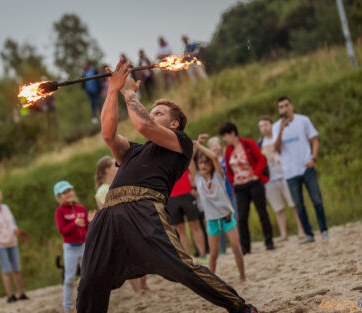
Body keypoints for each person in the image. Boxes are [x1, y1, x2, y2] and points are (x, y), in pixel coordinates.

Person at [76, 58, 259, 313]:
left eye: (159, 112)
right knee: (91, 280)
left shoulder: (180, 145)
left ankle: (240, 307)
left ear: (174, 124)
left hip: (143, 210)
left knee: (182, 268)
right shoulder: (133, 151)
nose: (152, 114)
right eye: (152, 110)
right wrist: (113, 90)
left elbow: (143, 125)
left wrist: (129, 92)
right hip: (109, 216)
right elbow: (107, 133)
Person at [273, 96, 329, 244]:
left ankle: (324, 230)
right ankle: (308, 233)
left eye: (286, 105)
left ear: (291, 106)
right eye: (281, 107)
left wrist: (314, 158)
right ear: (279, 110)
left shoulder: (303, 120)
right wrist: (281, 130)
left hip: (306, 167)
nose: (284, 109)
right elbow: (276, 148)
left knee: (316, 200)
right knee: (298, 204)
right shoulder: (276, 126)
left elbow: (314, 139)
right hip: (290, 172)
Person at [190, 138, 245, 280]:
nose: (202, 165)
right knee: (213, 254)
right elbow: (190, 161)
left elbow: (214, 157)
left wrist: (200, 145)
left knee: (236, 248)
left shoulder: (218, 176)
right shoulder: (198, 179)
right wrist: (194, 148)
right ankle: (213, 282)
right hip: (212, 219)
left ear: (211, 165)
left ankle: (242, 276)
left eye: (205, 162)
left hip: (226, 216)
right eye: (200, 163)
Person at [94, 156, 149, 293]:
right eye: (115, 165)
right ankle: (137, 290)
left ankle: (143, 283)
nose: (118, 166)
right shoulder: (102, 190)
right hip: (118, 228)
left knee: (143, 255)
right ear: (107, 169)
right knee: (129, 260)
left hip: (132, 223)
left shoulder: (121, 183)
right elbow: (106, 212)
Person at [220, 122, 274, 254]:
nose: (224, 139)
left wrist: (256, 174)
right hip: (240, 187)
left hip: (254, 183)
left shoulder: (248, 143)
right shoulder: (228, 150)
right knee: (242, 217)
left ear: (232, 133)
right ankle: (246, 247)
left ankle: (269, 242)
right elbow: (228, 168)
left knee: (262, 212)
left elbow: (261, 160)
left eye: (225, 135)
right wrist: (233, 182)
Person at [257, 116, 305, 241]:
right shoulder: (260, 143)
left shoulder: (279, 137)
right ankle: (283, 234)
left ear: (271, 124)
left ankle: (301, 229)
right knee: (278, 208)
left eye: (266, 124)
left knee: (294, 204)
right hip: (270, 179)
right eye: (261, 126)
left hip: (285, 174)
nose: (264, 128)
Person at [0, 188, 29, 303]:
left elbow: (12, 222)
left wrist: (16, 230)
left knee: (17, 269)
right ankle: (10, 295)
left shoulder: (6, 208)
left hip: (12, 242)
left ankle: (21, 293)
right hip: (0, 245)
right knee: (6, 270)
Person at [54, 181, 89, 312]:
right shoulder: (60, 211)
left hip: (84, 246)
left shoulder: (81, 208)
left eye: (69, 190)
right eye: (64, 192)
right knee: (69, 279)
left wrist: (91, 221)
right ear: (59, 197)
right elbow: (63, 231)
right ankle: (66, 307)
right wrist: (74, 223)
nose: (68, 194)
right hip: (70, 248)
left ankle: (86, 303)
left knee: (87, 276)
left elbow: (87, 228)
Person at [167, 168, 206, 261]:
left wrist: (194, 187)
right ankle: (187, 258)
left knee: (195, 225)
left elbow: (192, 169)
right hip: (171, 196)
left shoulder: (182, 153)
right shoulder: (158, 156)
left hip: (187, 193)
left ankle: (203, 255)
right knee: (179, 229)